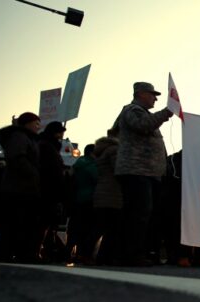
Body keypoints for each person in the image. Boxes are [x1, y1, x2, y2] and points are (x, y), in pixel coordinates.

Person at [113, 82, 174, 266]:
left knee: (144, 214)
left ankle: (138, 252)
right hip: (136, 172)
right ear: (140, 94)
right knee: (138, 214)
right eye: (152, 94)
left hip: (148, 174)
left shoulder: (143, 113)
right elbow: (142, 126)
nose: (155, 98)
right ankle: (131, 255)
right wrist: (166, 112)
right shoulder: (132, 110)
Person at [0, 112, 43, 262]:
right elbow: (17, 157)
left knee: (20, 222)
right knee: (15, 221)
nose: (38, 126)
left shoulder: (26, 137)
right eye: (36, 123)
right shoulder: (19, 136)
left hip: (22, 187)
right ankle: (8, 253)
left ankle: (15, 252)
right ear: (27, 123)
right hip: (18, 188)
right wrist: (33, 173)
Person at [37, 121, 68, 262]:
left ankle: (42, 251)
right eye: (60, 131)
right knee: (42, 221)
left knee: (47, 222)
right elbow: (49, 169)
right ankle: (37, 251)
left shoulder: (50, 145)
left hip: (51, 189)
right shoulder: (46, 145)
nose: (62, 134)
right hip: (46, 189)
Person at [91, 130, 122, 265]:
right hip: (112, 193)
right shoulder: (114, 150)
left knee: (99, 226)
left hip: (102, 193)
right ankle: (104, 256)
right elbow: (118, 169)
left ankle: (87, 254)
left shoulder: (102, 151)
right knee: (111, 228)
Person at [70, 144, 98, 265]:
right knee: (86, 228)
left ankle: (69, 252)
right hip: (89, 198)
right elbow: (97, 178)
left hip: (77, 198)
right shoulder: (91, 165)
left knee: (75, 227)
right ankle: (82, 254)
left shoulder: (77, 163)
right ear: (92, 153)